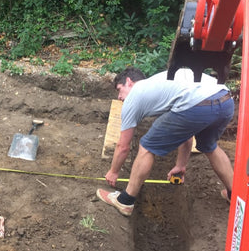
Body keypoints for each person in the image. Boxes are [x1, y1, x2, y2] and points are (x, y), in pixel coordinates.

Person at [96, 66, 235, 217]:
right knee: (210, 147)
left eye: (119, 90)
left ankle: (125, 200)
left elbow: (123, 146)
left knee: (147, 146)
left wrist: (113, 171)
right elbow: (185, 134)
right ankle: (234, 195)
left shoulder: (135, 96)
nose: (119, 97)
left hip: (197, 105)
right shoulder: (162, 87)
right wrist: (181, 166)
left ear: (129, 82)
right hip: (225, 100)